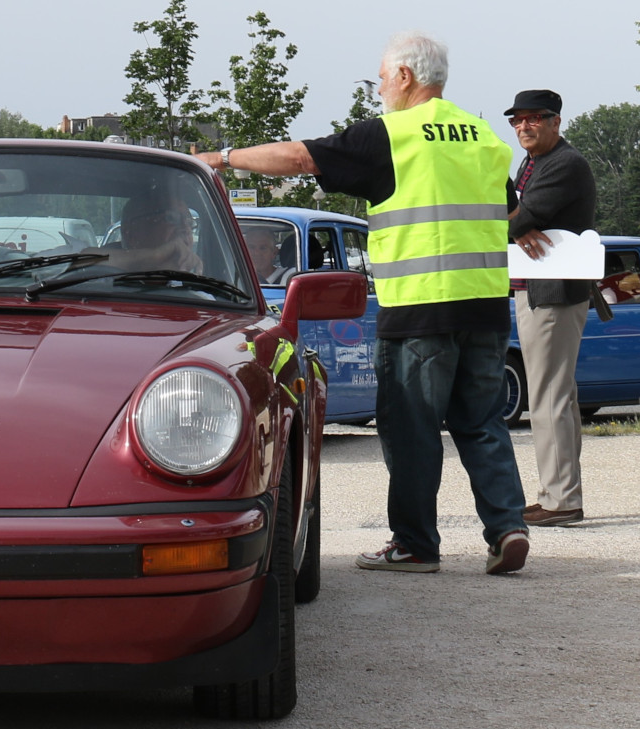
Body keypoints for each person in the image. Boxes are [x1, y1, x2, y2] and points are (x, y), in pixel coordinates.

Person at [197, 31, 529, 575]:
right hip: (486, 308)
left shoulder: (394, 135)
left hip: (421, 310)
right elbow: (509, 211)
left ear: (405, 76)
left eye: (380, 77)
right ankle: (508, 526)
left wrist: (225, 157)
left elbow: (301, 158)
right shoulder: (484, 137)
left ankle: (416, 545)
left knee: (412, 428)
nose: (378, 88)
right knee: (483, 421)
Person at [506, 89, 596, 528]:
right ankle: (559, 494)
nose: (524, 126)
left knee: (548, 396)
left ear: (556, 122)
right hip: (539, 289)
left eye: (534, 118)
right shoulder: (533, 162)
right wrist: (517, 218)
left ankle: (560, 501)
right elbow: (517, 217)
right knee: (556, 394)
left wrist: (515, 219)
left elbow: (522, 216)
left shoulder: (564, 163)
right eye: (517, 120)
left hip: (554, 292)